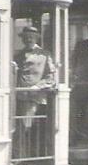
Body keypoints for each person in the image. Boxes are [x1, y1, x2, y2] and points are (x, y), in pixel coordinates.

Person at [14, 26, 56, 156]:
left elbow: (51, 77)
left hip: (35, 97)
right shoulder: (18, 55)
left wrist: (37, 87)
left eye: (31, 37)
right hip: (19, 96)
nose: (29, 39)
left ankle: (30, 156)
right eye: (26, 37)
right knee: (19, 128)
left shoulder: (44, 54)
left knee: (30, 127)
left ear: (37, 38)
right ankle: (21, 156)